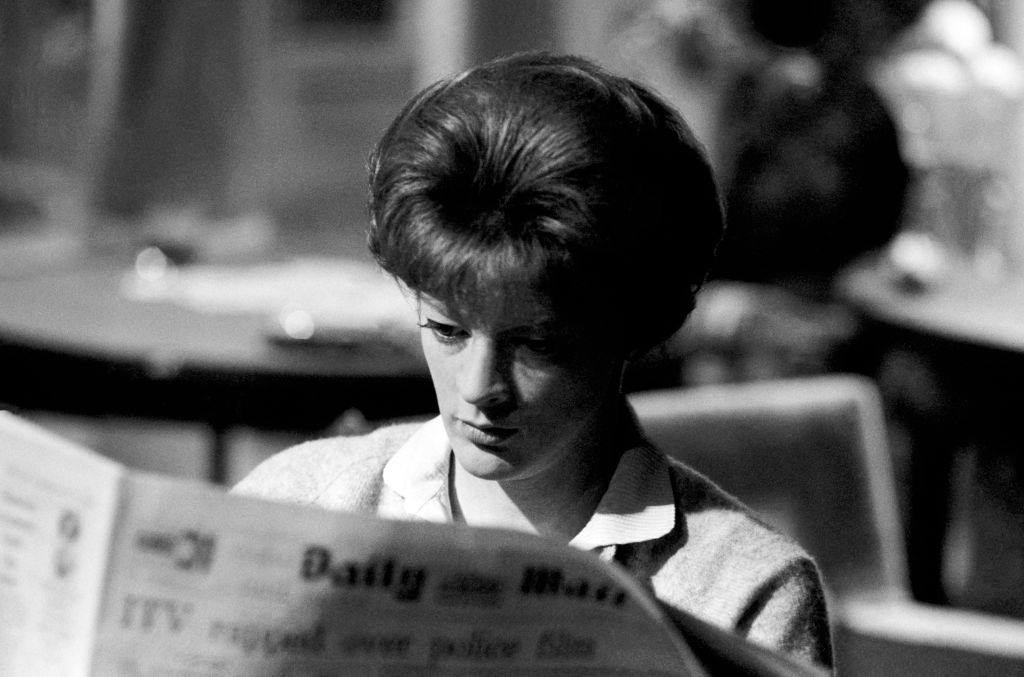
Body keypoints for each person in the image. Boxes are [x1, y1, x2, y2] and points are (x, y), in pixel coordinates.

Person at [233, 51, 832, 669]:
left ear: (632, 327)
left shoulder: (741, 590)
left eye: (535, 344)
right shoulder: (294, 503)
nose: (480, 386)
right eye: (446, 330)